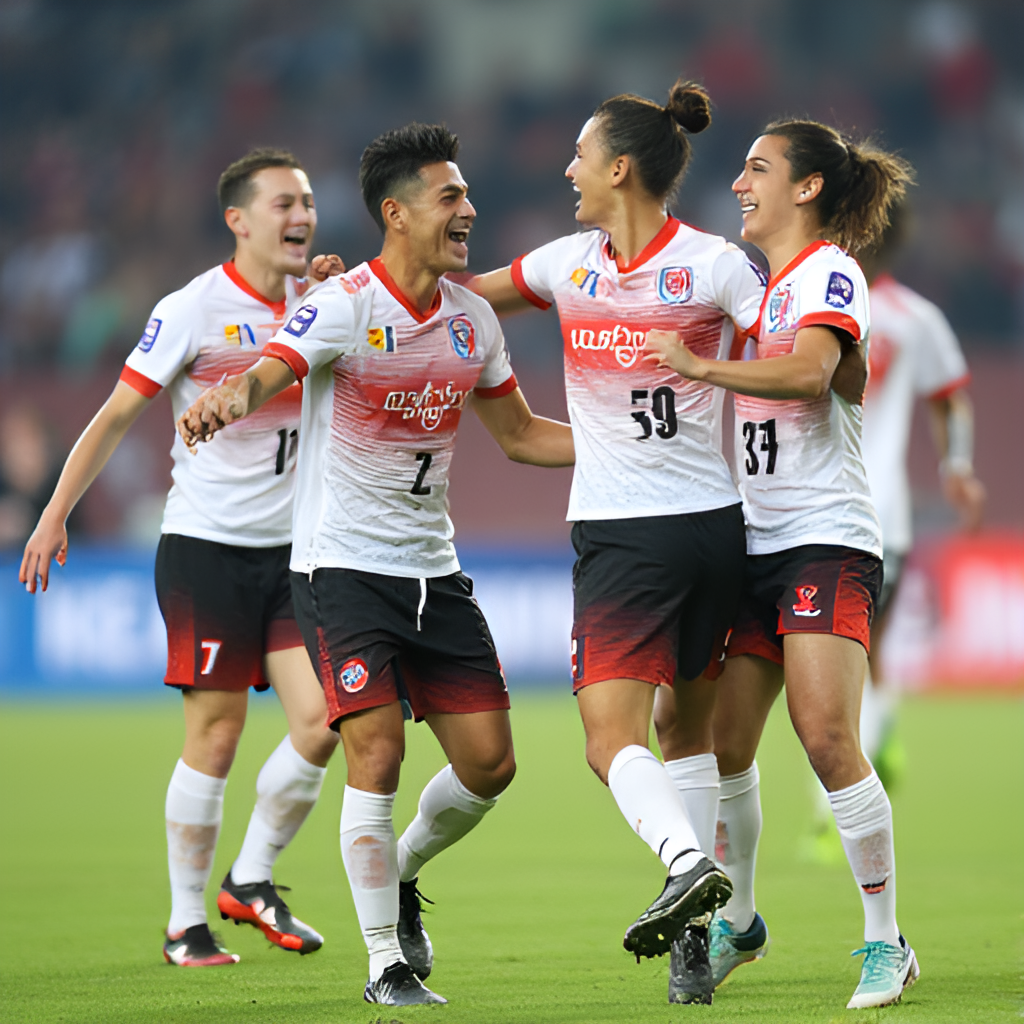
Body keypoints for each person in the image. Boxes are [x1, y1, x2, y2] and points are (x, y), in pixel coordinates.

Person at [176, 122, 575, 1007]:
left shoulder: (472, 319)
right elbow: (271, 368)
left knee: (490, 766)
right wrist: (229, 395)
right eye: (450, 196)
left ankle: (395, 870)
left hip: (435, 572)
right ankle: (385, 965)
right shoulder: (345, 304)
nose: (469, 209)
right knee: (378, 753)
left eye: (467, 195)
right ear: (397, 213)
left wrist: (619, 450)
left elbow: (518, 435)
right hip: (342, 571)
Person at [469, 81, 767, 1005]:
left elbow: (446, 302)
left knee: (609, 743)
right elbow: (455, 298)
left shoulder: (583, 266)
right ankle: (701, 934)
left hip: (630, 539)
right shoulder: (716, 264)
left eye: (580, 156)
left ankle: (685, 867)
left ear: (620, 168)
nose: (568, 169)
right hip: (716, 532)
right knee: (687, 736)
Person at [20, 149, 338, 967]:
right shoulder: (194, 308)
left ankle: (253, 875)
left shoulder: (322, 303)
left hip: (298, 555)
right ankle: (183, 923)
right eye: (282, 204)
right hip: (207, 549)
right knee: (218, 733)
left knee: (326, 719)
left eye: (305, 202)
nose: (301, 216)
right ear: (237, 219)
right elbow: (118, 413)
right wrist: (55, 513)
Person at [644, 119, 918, 1010]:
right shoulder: (764, 287)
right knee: (724, 746)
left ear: (806, 189)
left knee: (828, 735)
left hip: (823, 537)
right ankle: (744, 921)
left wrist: (696, 366)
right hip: (753, 541)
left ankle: (887, 942)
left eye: (757, 169)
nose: (738, 184)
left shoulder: (830, 273)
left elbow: (809, 375)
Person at [859, 201, 985, 779]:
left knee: (840, 658)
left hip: (847, 511)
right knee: (867, 651)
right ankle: (880, 736)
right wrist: (956, 467)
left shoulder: (805, 304)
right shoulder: (917, 317)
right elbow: (949, 396)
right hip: (888, 515)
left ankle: (829, 816)